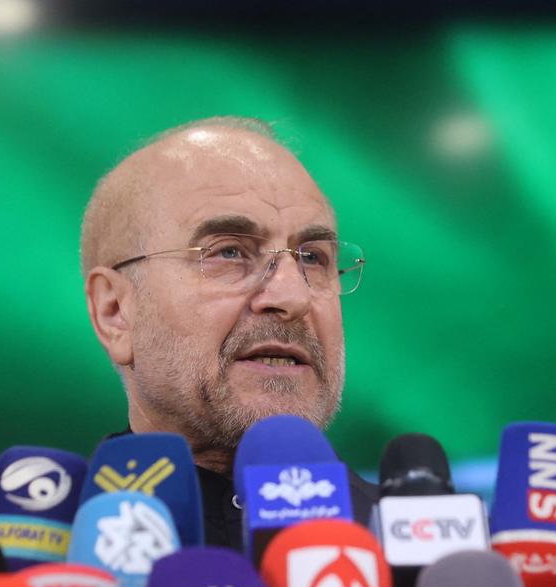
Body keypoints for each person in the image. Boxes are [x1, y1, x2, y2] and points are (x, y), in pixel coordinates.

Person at [80, 116, 376, 549]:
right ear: (115, 313)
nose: (293, 296)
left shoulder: (431, 559)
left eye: (313, 258)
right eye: (230, 252)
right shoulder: (30, 554)